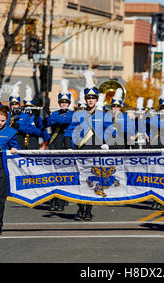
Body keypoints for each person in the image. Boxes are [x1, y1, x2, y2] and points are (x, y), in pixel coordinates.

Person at [64, 70, 111, 221]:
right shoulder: (78, 114)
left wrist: (107, 144)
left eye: (93, 98)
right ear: (85, 99)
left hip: (96, 150)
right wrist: (69, 146)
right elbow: (69, 132)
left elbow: (110, 132)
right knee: (80, 181)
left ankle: (88, 210)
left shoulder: (103, 115)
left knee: (93, 180)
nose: (90, 100)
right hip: (81, 150)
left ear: (97, 99)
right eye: (88, 98)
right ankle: (80, 209)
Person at [45, 79, 75, 212]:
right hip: (54, 145)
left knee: (65, 174)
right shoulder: (55, 113)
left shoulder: (72, 114)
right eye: (62, 102)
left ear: (69, 103)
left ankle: (62, 201)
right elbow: (45, 124)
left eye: (66, 102)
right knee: (53, 174)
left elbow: (66, 120)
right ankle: (53, 200)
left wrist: (52, 117)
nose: (63, 104)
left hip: (66, 145)